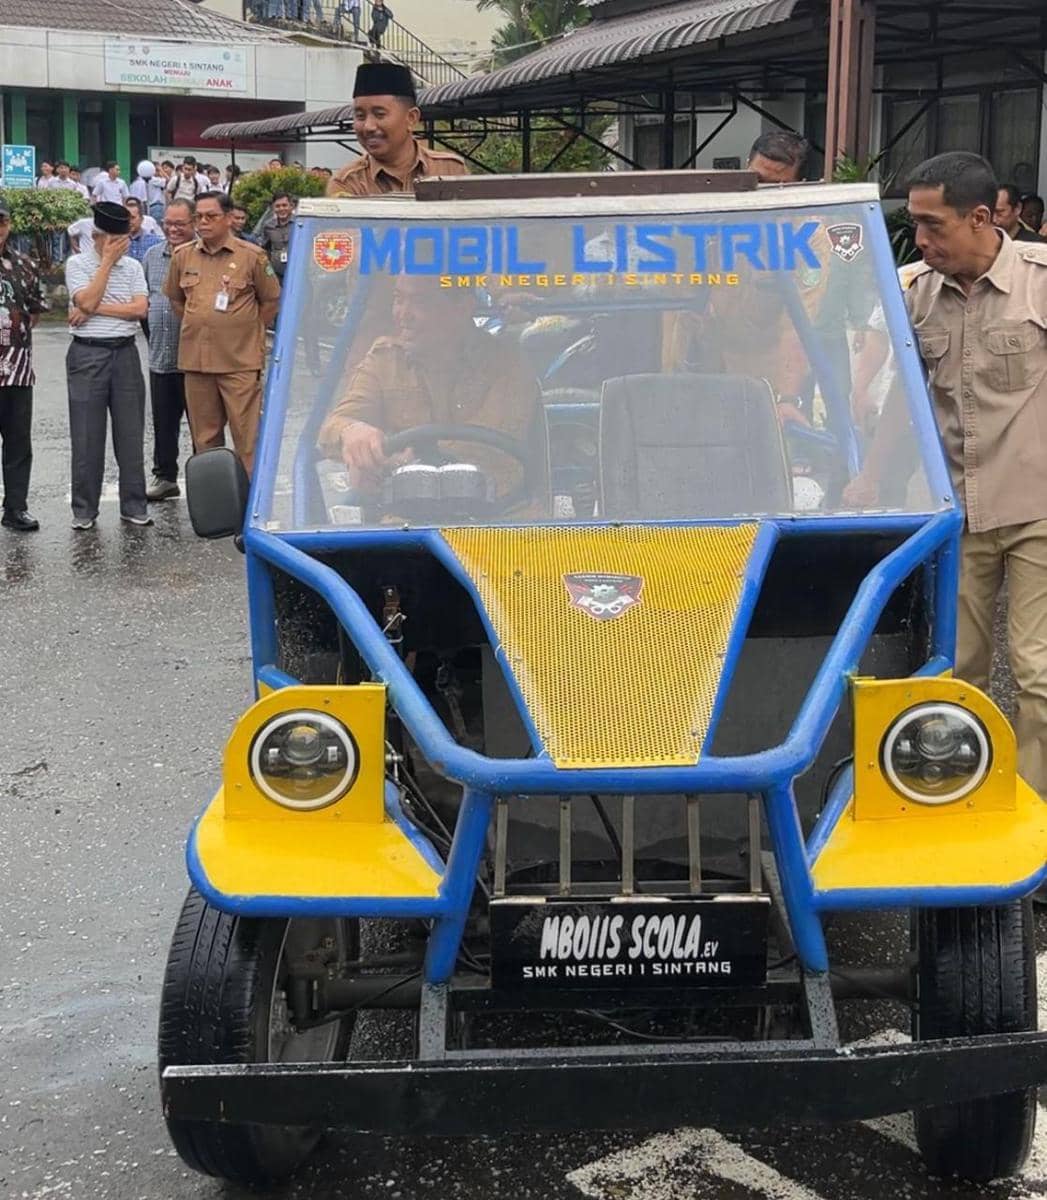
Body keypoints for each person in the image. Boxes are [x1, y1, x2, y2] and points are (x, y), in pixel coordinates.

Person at [845, 151, 1047, 799]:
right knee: (953, 668)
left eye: (933, 226)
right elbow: (902, 408)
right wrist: (869, 481)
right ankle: (957, 801)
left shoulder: (1040, 283)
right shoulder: (913, 293)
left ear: (982, 217)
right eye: (915, 226)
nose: (921, 240)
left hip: (1036, 508)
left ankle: (1031, 825)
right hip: (952, 512)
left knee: (1037, 673)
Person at [318, 276, 540, 502]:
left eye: (420, 302)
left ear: (462, 309)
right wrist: (352, 432)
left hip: (502, 521)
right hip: (406, 521)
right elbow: (331, 428)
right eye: (399, 299)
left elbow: (489, 452)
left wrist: (400, 460)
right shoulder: (384, 360)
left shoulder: (508, 362)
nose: (403, 315)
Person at [163, 191, 281, 475]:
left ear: (229, 219)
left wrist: (244, 331)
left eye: (211, 216)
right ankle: (216, 510)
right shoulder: (183, 256)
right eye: (198, 217)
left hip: (239, 363)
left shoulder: (252, 256)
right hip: (197, 364)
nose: (203, 222)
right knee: (205, 442)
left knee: (248, 440)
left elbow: (272, 301)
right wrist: (205, 323)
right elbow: (177, 299)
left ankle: (249, 509)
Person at [64, 201, 151, 529]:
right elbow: (83, 300)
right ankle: (84, 510)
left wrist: (95, 310)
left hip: (125, 352)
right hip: (88, 354)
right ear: (99, 237)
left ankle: (134, 505)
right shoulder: (78, 264)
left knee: (131, 433)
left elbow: (139, 309)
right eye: (115, 239)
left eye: (125, 239)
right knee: (87, 434)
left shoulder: (132, 268)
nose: (122, 245)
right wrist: (105, 265)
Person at [328, 62, 467, 197]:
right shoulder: (347, 183)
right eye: (360, 116)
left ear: (411, 118)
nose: (368, 126)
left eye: (379, 114)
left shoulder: (450, 171)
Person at [0, 201, 48, 531]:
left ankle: (15, 508)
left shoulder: (24, 264)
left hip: (16, 370)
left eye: (1, 221)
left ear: (9, 224)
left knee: (18, 443)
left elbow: (34, 313)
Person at [143, 199, 195, 501]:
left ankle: (207, 481)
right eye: (169, 223)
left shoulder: (202, 256)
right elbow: (145, 304)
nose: (173, 229)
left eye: (180, 224)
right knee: (164, 425)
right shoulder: (151, 256)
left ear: (193, 224)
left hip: (197, 362)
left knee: (204, 429)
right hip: (161, 359)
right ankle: (165, 478)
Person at [260, 191, 295, 281]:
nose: (281, 209)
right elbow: (264, 249)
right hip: (276, 275)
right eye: (278, 206)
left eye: (284, 205)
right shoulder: (268, 226)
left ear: (291, 206)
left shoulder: (299, 224)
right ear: (273, 208)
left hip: (295, 272)